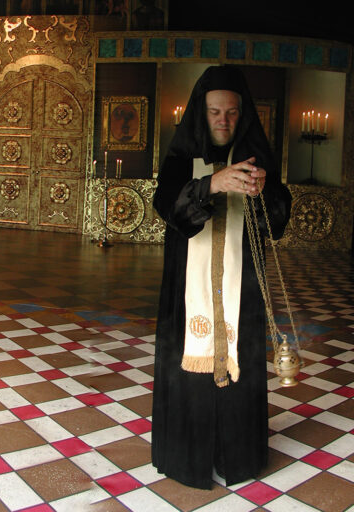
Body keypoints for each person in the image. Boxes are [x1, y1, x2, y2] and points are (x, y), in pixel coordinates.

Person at [151, 65, 291, 489]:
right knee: (184, 367)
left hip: (242, 287)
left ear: (243, 114)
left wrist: (265, 189)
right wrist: (211, 183)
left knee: (240, 363)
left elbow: (277, 221)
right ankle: (186, 456)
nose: (223, 121)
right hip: (186, 288)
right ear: (201, 111)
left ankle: (238, 455)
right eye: (215, 111)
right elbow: (169, 209)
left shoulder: (256, 159)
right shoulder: (180, 157)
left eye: (231, 112)